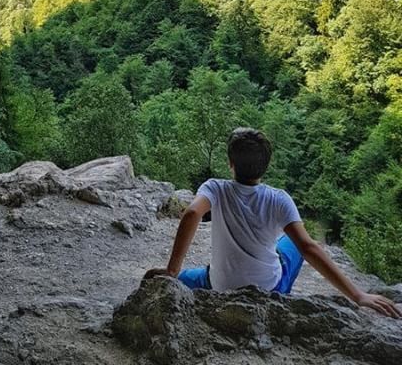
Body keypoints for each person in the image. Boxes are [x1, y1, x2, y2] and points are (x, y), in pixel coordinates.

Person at [144, 127, 401, 319]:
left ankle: (182, 277)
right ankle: (281, 296)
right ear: (266, 166)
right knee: (291, 241)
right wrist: (357, 295)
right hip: (269, 289)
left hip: (218, 285)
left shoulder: (215, 188)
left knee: (189, 276)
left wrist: (172, 271)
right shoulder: (279, 199)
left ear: (230, 164)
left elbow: (191, 214)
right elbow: (309, 248)